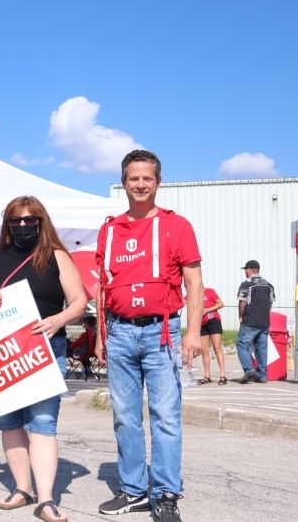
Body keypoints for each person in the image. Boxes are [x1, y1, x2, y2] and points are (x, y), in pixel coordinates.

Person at [94, 149, 203, 522]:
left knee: (165, 417)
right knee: (125, 416)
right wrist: (99, 336)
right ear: (123, 183)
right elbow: (102, 288)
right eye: (133, 178)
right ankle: (133, 490)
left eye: (147, 178)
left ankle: (166, 492)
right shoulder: (109, 230)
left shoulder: (178, 226)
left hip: (162, 333)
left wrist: (192, 332)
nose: (140, 184)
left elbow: (194, 282)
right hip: (120, 333)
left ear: (158, 182)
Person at [0, 196, 86, 522]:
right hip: (4, 353)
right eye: (15, 221)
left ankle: (45, 498)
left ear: (41, 222)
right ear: (7, 224)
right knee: (9, 423)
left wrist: (59, 320)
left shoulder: (57, 256)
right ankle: (23, 488)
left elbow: (79, 301)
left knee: (43, 424)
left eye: (29, 221)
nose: (22, 226)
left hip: (44, 350)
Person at [235, 260, 275, 385]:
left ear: (250, 269)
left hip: (250, 320)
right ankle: (262, 376)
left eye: (245, 269)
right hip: (264, 321)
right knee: (261, 348)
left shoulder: (247, 284)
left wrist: (241, 316)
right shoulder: (269, 285)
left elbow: (242, 303)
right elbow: (270, 303)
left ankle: (249, 370)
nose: (245, 272)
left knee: (242, 344)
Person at [196, 287, 226, 385]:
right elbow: (182, 300)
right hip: (201, 324)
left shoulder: (210, 291)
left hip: (213, 321)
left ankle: (223, 375)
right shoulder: (192, 294)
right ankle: (207, 376)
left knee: (217, 348)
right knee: (204, 350)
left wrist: (207, 310)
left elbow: (221, 304)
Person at [67, 315, 98, 380]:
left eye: (84, 323)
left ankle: (87, 368)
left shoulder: (86, 334)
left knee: (66, 343)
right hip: (93, 353)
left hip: (84, 354)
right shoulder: (96, 333)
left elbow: (75, 344)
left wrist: (70, 344)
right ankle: (87, 368)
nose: (83, 325)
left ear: (87, 324)